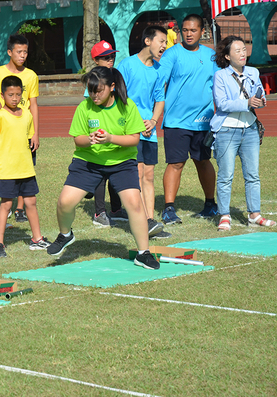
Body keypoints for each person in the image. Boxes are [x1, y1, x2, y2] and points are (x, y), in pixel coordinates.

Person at [46, 67, 160, 270]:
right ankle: (65, 235)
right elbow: (77, 140)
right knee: (65, 202)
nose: (94, 95)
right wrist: (89, 140)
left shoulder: (127, 106)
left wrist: (110, 138)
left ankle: (143, 253)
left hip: (122, 164)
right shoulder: (84, 107)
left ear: (112, 87)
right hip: (88, 163)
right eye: (91, 90)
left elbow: (134, 139)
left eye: (98, 90)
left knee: (134, 204)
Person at [210, 36, 276, 231]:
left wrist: (261, 101)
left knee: (253, 175)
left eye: (244, 49)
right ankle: (224, 216)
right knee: (226, 176)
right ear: (227, 56)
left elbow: (259, 94)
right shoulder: (220, 76)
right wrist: (247, 103)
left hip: (250, 131)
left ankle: (255, 215)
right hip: (226, 130)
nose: (243, 53)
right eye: (237, 50)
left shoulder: (253, 72)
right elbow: (222, 104)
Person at [158, 14, 219, 225]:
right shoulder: (171, 55)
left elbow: (220, 87)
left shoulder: (211, 57)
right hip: (176, 121)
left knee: (203, 161)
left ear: (202, 31)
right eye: (185, 30)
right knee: (176, 163)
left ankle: (211, 204)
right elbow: (160, 83)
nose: (189, 34)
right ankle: (168, 209)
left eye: (193, 30)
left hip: (204, 121)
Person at [0, 76, 50, 258]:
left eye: (17, 95)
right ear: (2, 95)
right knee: (6, 205)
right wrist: (1, 156)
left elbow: (29, 136)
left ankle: (37, 238)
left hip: (26, 168)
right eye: (10, 94)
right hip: (8, 169)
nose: (14, 98)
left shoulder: (27, 115)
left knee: (31, 202)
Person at [117, 26, 168, 239]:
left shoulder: (159, 69)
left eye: (166, 42)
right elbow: (120, 96)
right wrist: (136, 122)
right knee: (136, 174)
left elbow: (160, 99)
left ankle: (150, 220)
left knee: (148, 175)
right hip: (131, 129)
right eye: (161, 41)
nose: (164, 46)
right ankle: (139, 221)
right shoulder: (127, 65)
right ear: (148, 41)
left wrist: (153, 121)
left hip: (149, 131)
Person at [0, 34, 40, 224]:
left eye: (25, 52)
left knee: (25, 167)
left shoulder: (31, 75)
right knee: (5, 169)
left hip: (24, 128)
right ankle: (1, 209)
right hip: (5, 129)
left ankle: (20, 209)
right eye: (19, 52)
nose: (23, 55)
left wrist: (35, 132)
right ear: (10, 52)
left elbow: (33, 104)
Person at [82, 41, 125, 228]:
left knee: (116, 170)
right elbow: (89, 107)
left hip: (114, 130)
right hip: (99, 132)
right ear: (96, 60)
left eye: (112, 56)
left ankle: (116, 209)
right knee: (100, 175)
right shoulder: (93, 80)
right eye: (106, 57)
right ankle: (99, 212)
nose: (110, 60)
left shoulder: (114, 75)